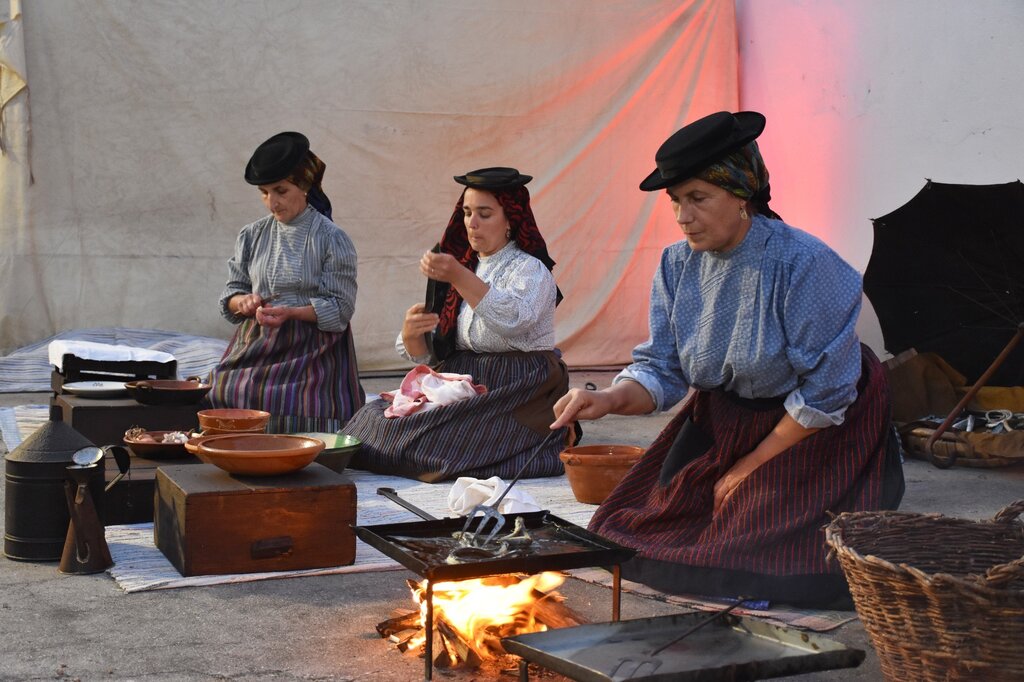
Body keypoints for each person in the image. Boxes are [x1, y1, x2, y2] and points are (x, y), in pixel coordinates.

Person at [550, 111, 905, 608]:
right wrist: (607, 399)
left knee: (756, 551)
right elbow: (663, 367)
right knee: (622, 530)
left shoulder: (805, 263)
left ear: (742, 194)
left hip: (816, 425)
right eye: (676, 200)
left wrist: (749, 467)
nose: (682, 216)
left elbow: (827, 391)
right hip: (727, 417)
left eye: (698, 198)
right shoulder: (677, 263)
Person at [344, 167, 571, 482]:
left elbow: (514, 320)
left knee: (440, 442)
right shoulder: (464, 266)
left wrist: (459, 276)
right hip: (464, 378)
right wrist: (412, 335)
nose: (471, 223)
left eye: (484, 214)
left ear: (510, 220)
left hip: (519, 386)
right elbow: (434, 354)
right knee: (371, 420)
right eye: (466, 213)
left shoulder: (530, 270)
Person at [206, 131, 365, 433]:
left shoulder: (332, 238)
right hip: (258, 343)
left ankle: (299, 450)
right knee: (222, 389)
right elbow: (232, 293)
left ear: (304, 186)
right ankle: (241, 450)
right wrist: (244, 302)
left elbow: (340, 308)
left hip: (315, 351)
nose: (272, 202)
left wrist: (291, 312)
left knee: (297, 401)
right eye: (264, 192)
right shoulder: (252, 235)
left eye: (280, 191)